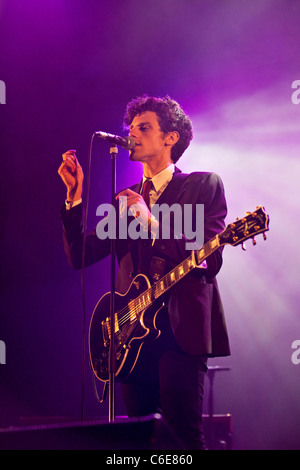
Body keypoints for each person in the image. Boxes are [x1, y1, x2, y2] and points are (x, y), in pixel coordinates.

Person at [58, 95, 230, 450]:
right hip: (130, 334)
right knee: (138, 440)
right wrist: (74, 197)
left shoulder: (201, 184)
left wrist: (150, 221)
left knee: (182, 439)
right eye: (131, 128)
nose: (132, 135)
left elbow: (208, 259)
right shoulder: (126, 200)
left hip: (179, 332)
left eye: (144, 127)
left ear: (171, 138)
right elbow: (79, 256)